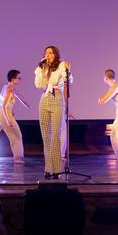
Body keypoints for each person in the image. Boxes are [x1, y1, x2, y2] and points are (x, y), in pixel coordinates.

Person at [34, 46, 72, 179]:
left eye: (50, 53)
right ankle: (48, 168)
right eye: (46, 53)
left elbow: (68, 80)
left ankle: (56, 169)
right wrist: (42, 69)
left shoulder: (61, 65)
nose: (48, 55)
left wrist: (68, 70)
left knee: (55, 135)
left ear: (55, 54)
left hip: (57, 98)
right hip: (44, 99)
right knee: (46, 136)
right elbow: (39, 85)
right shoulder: (42, 67)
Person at [0, 70, 29, 163]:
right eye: (19, 78)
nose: (20, 80)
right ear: (13, 79)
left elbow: (17, 95)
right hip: (3, 113)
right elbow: (4, 106)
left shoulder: (6, 87)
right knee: (16, 135)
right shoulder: (10, 89)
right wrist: (7, 120)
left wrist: (24, 103)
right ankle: (18, 159)